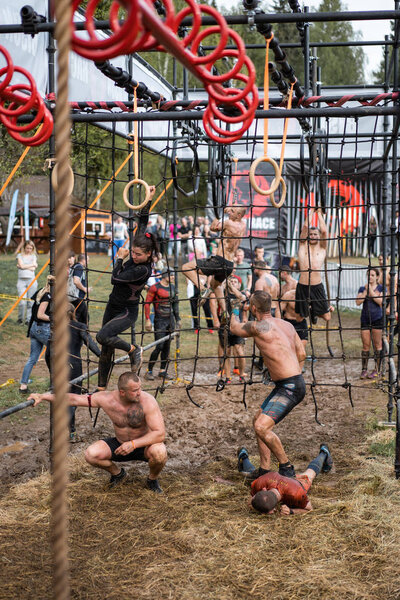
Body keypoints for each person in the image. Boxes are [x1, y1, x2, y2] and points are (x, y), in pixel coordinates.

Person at [29, 372, 167, 493]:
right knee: (91, 454)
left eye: (140, 388)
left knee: (160, 452)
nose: (139, 392)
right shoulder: (106, 399)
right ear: (122, 392)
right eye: (135, 390)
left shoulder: (148, 401)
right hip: (120, 445)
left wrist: (133, 444)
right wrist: (44, 396)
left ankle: (152, 479)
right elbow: (74, 399)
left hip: (143, 446)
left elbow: (160, 433)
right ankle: (118, 474)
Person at [230, 290, 306, 478]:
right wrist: (286, 369)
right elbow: (302, 354)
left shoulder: (258, 327)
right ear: (270, 306)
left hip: (290, 387)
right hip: (291, 383)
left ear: (254, 308)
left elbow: (234, 328)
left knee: (261, 427)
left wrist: (235, 306)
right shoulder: (287, 325)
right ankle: (264, 469)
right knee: (258, 419)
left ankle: (286, 468)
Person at [96, 186, 157, 390]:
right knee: (105, 349)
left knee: (102, 336)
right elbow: (142, 223)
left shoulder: (143, 270)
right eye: (133, 252)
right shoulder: (138, 250)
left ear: (148, 255)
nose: (134, 256)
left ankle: (133, 349)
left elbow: (115, 279)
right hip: (113, 305)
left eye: (138, 254)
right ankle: (101, 387)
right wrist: (148, 198)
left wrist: (119, 259)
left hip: (126, 311)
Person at [45, 303, 101, 441]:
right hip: (73, 366)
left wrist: (51, 369)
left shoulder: (55, 329)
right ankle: (70, 432)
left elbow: (48, 354)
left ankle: (68, 431)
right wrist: (102, 356)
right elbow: (91, 344)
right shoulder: (80, 326)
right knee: (72, 397)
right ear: (72, 312)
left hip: (57, 366)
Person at [182, 206, 247, 319]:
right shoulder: (243, 225)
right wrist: (232, 208)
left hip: (219, 261)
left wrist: (219, 215)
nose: (230, 213)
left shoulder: (228, 223)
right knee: (215, 285)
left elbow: (212, 227)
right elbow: (238, 212)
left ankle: (202, 289)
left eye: (233, 212)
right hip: (229, 265)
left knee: (186, 267)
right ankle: (225, 312)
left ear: (239, 215)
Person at [250, 445, 333, 515]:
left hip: (296, 484)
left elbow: (310, 509)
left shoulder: (296, 493)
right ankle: (244, 456)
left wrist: (291, 511)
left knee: (310, 474)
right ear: (263, 490)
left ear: (271, 511)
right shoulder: (260, 483)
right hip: (278, 477)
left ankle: (324, 453)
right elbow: (252, 498)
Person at [295, 207, 333, 324]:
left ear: (318, 236)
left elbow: (325, 231)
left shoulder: (322, 248)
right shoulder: (302, 245)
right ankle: (310, 310)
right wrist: (311, 211)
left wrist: (319, 213)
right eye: (310, 234)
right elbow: (305, 227)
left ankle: (313, 311)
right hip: (303, 286)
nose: (312, 236)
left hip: (317, 286)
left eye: (315, 234)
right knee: (299, 318)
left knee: (327, 317)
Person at [19, 275, 54, 394]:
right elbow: (40, 315)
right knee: (56, 354)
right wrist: (54, 318)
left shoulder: (41, 291)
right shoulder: (47, 296)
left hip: (35, 328)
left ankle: (23, 386)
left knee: (32, 358)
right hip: (42, 329)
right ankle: (54, 385)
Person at [144, 269, 181, 381]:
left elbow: (175, 304)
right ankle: (149, 371)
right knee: (159, 346)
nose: (174, 277)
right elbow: (147, 304)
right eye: (172, 275)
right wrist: (147, 320)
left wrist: (178, 319)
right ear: (165, 276)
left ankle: (162, 371)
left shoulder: (173, 288)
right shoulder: (155, 287)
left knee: (167, 346)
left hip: (170, 320)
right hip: (159, 320)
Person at [356, 268, 383, 380]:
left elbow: (380, 301)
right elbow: (358, 302)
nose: (370, 277)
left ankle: (377, 369)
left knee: (377, 345)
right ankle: (364, 369)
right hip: (365, 320)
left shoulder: (381, 288)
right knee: (366, 345)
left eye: (372, 275)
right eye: (368, 275)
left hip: (377, 319)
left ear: (377, 276)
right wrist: (366, 291)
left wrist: (370, 291)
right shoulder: (362, 288)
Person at [16, 240, 38, 325]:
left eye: (30, 248)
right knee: (22, 302)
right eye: (27, 248)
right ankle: (20, 318)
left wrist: (22, 267)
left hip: (31, 280)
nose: (28, 250)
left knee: (30, 301)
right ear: (24, 247)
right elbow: (21, 265)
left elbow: (33, 268)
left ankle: (28, 320)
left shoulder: (33, 256)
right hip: (21, 280)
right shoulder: (19, 256)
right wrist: (31, 265)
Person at [280, 288, 308, 353]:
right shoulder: (288, 295)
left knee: (300, 350)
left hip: (301, 324)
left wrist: (328, 309)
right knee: (288, 349)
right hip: (288, 323)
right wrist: (279, 324)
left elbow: (316, 309)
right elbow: (279, 309)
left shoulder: (308, 296)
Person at [71, 253, 90, 325]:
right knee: (78, 317)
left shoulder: (75, 266)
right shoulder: (79, 267)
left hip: (76, 297)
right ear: (84, 260)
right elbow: (76, 281)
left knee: (84, 316)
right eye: (88, 260)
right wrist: (84, 289)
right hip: (77, 297)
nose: (88, 262)